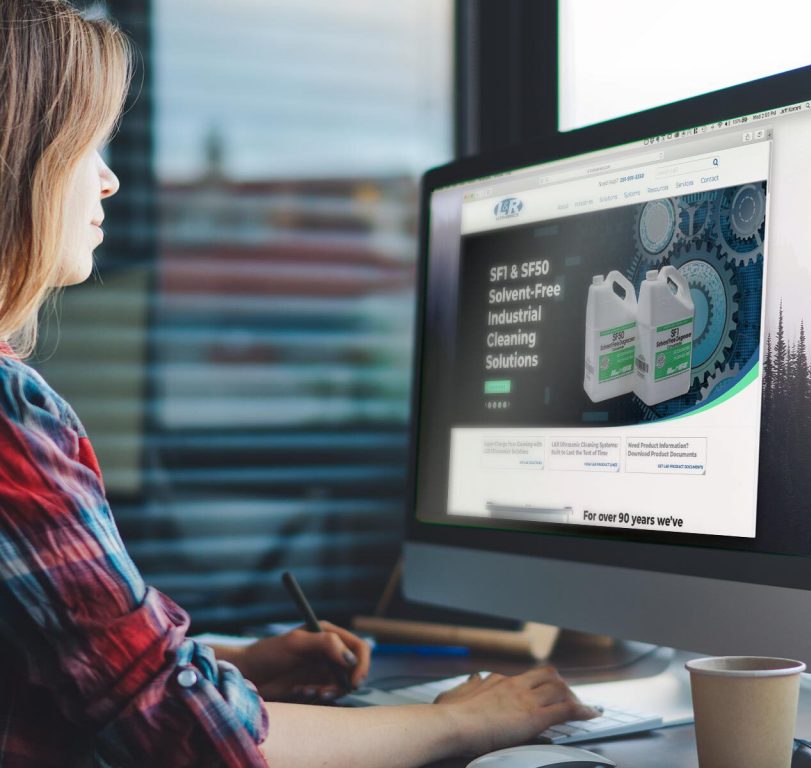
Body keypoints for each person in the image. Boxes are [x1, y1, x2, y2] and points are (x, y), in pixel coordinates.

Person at [0, 2, 598, 766]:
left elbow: (37, 663)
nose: (112, 181)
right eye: (90, 148)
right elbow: (200, 744)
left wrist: (236, 667)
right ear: (25, 162)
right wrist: (468, 722)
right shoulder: (12, 415)